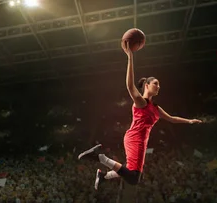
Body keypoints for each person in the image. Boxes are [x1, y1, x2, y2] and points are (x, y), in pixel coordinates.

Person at [78, 40, 202, 190]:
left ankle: (104, 176)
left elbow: (172, 119)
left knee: (133, 173)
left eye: (159, 84)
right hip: (135, 138)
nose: (158, 86)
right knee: (133, 178)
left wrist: (189, 121)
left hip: (141, 141)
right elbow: (130, 86)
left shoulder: (156, 108)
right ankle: (99, 157)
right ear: (147, 85)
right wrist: (130, 57)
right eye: (156, 83)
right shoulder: (141, 102)